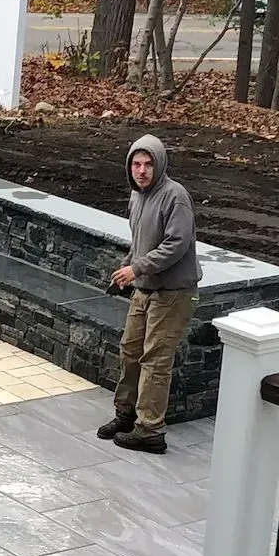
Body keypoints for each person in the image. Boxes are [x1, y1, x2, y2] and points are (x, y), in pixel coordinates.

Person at [97, 133, 199, 455]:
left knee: (154, 360)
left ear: (160, 165)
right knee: (130, 351)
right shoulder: (136, 196)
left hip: (173, 293)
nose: (141, 171)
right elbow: (140, 241)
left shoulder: (175, 196)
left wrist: (137, 268)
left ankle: (150, 431)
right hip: (145, 288)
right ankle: (126, 416)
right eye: (136, 164)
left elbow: (176, 244)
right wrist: (127, 268)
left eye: (148, 164)